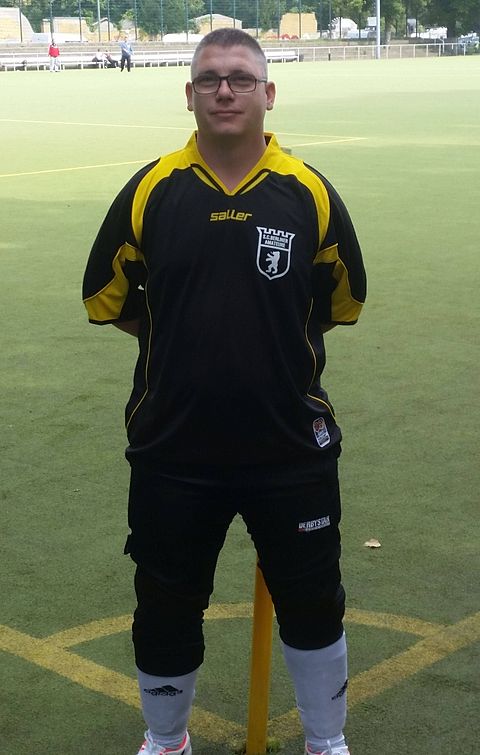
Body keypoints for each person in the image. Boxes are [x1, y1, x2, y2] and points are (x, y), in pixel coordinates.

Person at [82, 28, 366, 755]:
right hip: (174, 445)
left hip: (289, 445)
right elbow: (108, 297)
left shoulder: (308, 192)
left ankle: (326, 741)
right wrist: (182, 333)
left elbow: (340, 300)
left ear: (269, 93)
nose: (225, 90)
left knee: (313, 601)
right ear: (189, 94)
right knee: (166, 605)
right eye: (209, 78)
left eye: (240, 78)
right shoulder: (152, 188)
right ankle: (166, 739)